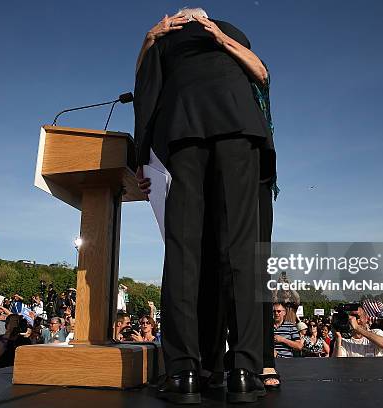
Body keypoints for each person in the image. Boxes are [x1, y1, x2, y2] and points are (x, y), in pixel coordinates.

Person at [134, 7, 274, 404]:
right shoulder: (225, 32)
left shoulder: (166, 38)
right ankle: (244, 371)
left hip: (186, 126)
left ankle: (183, 373)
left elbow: (145, 89)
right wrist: (219, 37)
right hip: (234, 124)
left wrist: (140, 156)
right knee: (241, 250)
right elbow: (261, 75)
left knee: (183, 250)